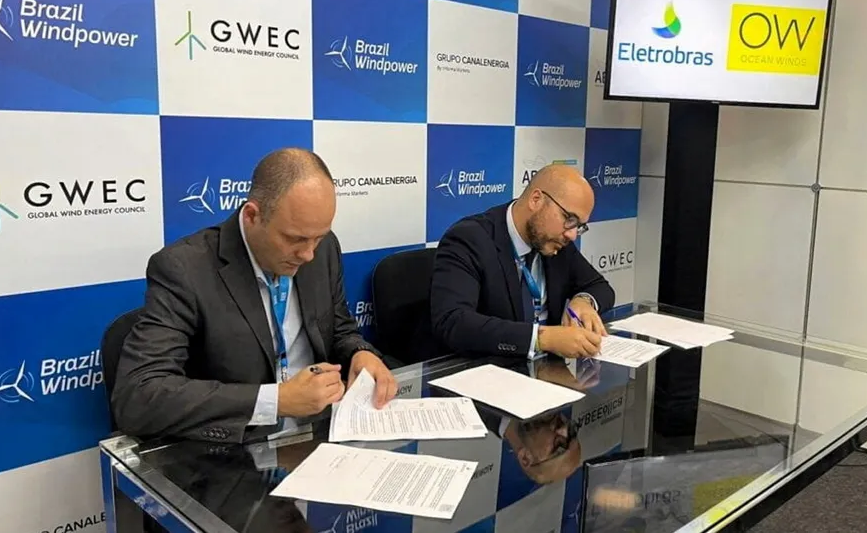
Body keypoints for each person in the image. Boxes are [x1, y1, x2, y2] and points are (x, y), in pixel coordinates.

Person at [111, 148, 397, 443]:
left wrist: (359, 353)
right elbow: (138, 396)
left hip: (320, 435)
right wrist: (276, 401)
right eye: (295, 239)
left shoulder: (322, 248)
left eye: (319, 237)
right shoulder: (185, 269)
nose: (308, 254)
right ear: (251, 216)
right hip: (234, 450)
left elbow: (339, 328)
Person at [430, 164, 615, 359]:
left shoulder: (557, 241)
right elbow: (452, 322)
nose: (572, 234)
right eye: (569, 219)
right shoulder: (470, 239)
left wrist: (584, 301)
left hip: (545, 370)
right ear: (536, 200)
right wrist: (542, 339)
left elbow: (600, 287)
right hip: (488, 369)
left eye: (579, 226)